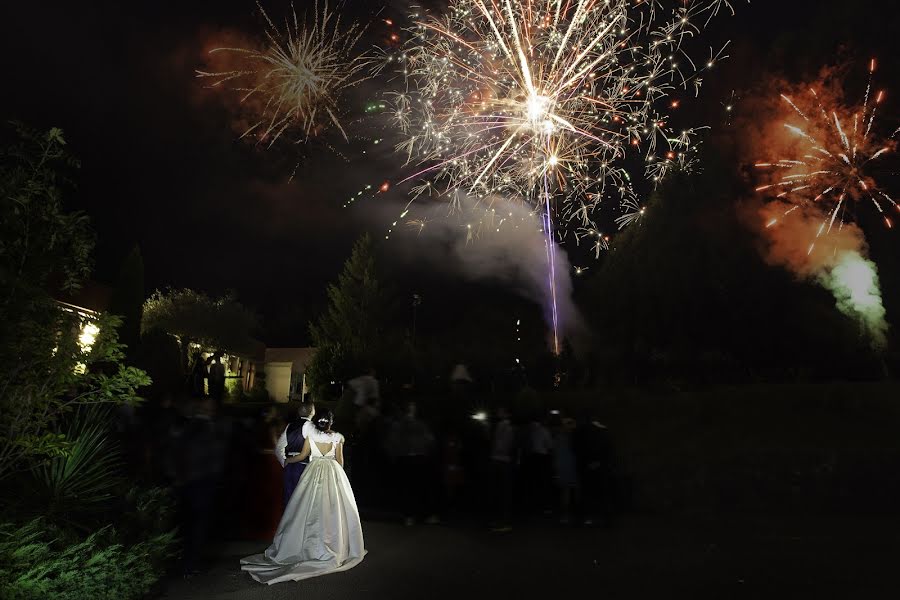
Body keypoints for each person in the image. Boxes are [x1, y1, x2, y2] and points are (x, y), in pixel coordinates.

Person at [241, 409, 365, 584]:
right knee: (331, 509)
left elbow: (302, 456)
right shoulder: (338, 438)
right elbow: (340, 462)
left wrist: (287, 461)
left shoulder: (311, 437)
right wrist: (336, 473)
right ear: (331, 422)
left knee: (306, 508)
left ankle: (305, 545)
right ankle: (333, 542)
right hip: (332, 472)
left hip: (312, 472)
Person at [386, 401, 436, 526]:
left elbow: (394, 441)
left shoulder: (404, 424)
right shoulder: (411, 424)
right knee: (415, 486)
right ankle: (415, 514)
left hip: (411, 457)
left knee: (412, 487)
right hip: (412, 457)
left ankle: (412, 515)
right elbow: (429, 439)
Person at [274, 402, 316, 508]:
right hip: (303, 466)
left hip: (289, 467)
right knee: (302, 503)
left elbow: (279, 448)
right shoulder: (310, 426)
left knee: (288, 501)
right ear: (311, 411)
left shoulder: (290, 426)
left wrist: (285, 462)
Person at [489, 406, 516, 532]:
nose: (498, 413)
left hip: (499, 460)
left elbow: (501, 444)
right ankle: (504, 521)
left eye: (500, 411)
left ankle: (501, 521)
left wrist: (496, 450)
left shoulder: (502, 426)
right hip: (504, 460)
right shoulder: (508, 427)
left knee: (500, 491)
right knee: (504, 491)